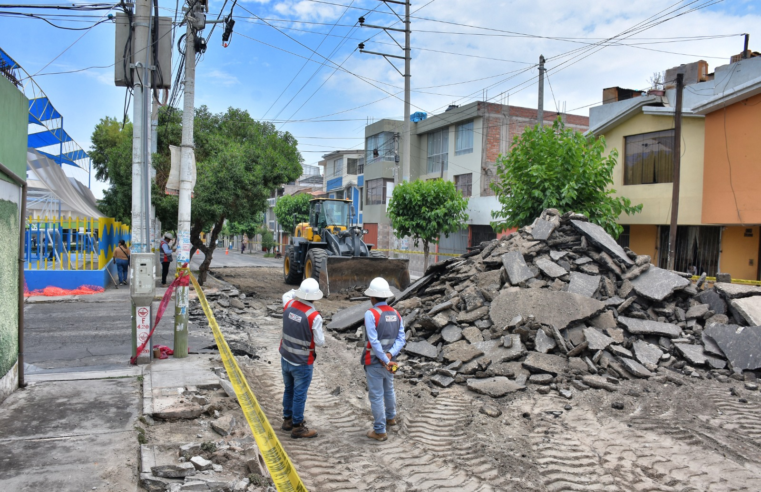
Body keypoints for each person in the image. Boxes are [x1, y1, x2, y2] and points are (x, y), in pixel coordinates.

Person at [280, 278, 325, 439]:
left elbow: (287, 294)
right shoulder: (315, 317)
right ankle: (298, 427)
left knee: (289, 389)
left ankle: (287, 420)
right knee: (300, 394)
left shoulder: (288, 304)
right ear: (315, 297)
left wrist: (296, 291)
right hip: (302, 363)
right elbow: (320, 342)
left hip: (285, 357)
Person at [362, 277, 406, 442]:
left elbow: (373, 341)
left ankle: (380, 430)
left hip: (375, 362)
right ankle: (391, 418)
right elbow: (401, 339)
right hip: (392, 362)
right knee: (389, 389)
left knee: (376, 395)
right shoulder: (396, 313)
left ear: (372, 297)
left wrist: (383, 358)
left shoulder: (370, 313)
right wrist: (389, 356)